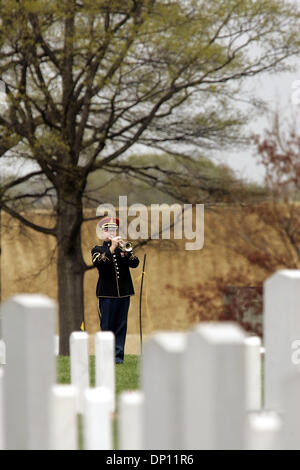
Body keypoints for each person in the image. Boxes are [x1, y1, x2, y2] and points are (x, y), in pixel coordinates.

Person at [91, 216, 140, 364]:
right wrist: (111, 248)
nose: (111, 232)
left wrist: (125, 250)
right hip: (107, 294)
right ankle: (106, 357)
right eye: (108, 230)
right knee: (107, 326)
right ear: (103, 232)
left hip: (124, 294)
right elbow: (99, 264)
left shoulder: (122, 250)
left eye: (114, 229)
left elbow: (135, 263)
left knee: (121, 326)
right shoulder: (98, 249)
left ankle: (118, 358)